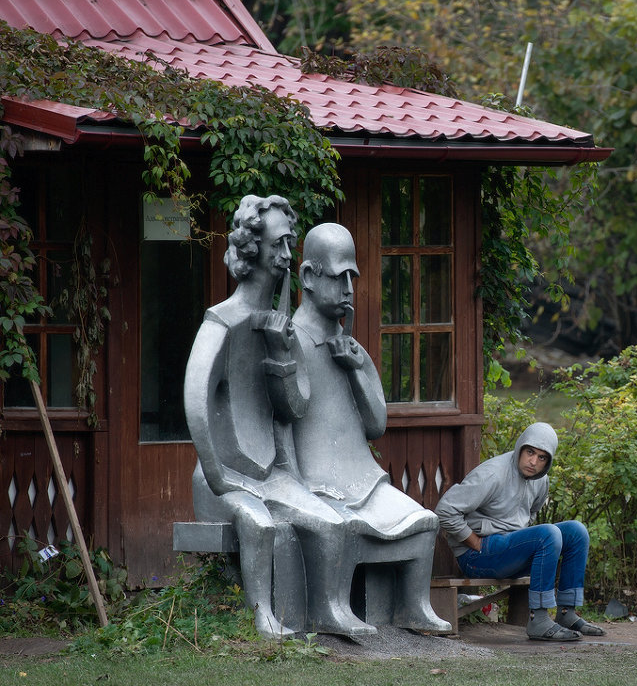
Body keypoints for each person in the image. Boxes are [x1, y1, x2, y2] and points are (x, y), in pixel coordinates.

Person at [185, 195, 368, 638]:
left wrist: (281, 356)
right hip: (224, 476)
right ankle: (262, 617)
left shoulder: (278, 325)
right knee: (259, 523)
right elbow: (196, 402)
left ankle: (329, 611)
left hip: (270, 475)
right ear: (253, 249)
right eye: (280, 245)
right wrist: (218, 475)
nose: (288, 257)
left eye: (290, 245)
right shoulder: (223, 321)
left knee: (334, 520)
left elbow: (294, 409)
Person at [290, 222, 450, 633]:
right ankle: (330, 608)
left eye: (352, 277)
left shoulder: (351, 349)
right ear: (308, 277)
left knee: (424, 520)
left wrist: (358, 368)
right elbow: (286, 411)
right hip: (316, 481)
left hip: (362, 478)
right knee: (339, 527)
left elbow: (377, 424)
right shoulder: (290, 341)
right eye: (338, 275)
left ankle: (413, 607)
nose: (347, 287)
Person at [435, 422, 605, 641]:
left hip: (508, 549)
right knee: (548, 534)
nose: (533, 462)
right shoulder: (493, 474)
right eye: (530, 452)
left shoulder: (541, 480)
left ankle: (567, 613)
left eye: (542, 458)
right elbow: (445, 510)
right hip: (476, 555)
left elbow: (531, 513)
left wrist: (523, 543)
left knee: (576, 531)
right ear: (520, 448)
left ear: (548, 462)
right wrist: (473, 541)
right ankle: (539, 620)